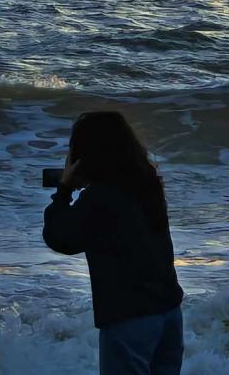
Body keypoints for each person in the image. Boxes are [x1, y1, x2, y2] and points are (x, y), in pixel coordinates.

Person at [43, 111, 184, 375]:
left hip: (130, 320)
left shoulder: (100, 198)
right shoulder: (148, 185)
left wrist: (64, 190)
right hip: (168, 313)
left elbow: (60, 237)